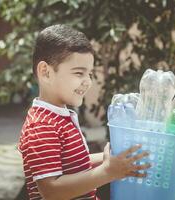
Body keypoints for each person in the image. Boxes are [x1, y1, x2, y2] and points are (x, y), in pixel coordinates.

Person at [18, 24, 151, 200]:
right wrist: (107, 172)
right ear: (45, 72)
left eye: (89, 74)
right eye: (79, 73)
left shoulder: (59, 116)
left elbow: (73, 166)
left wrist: (110, 160)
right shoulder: (42, 125)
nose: (88, 82)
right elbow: (51, 191)